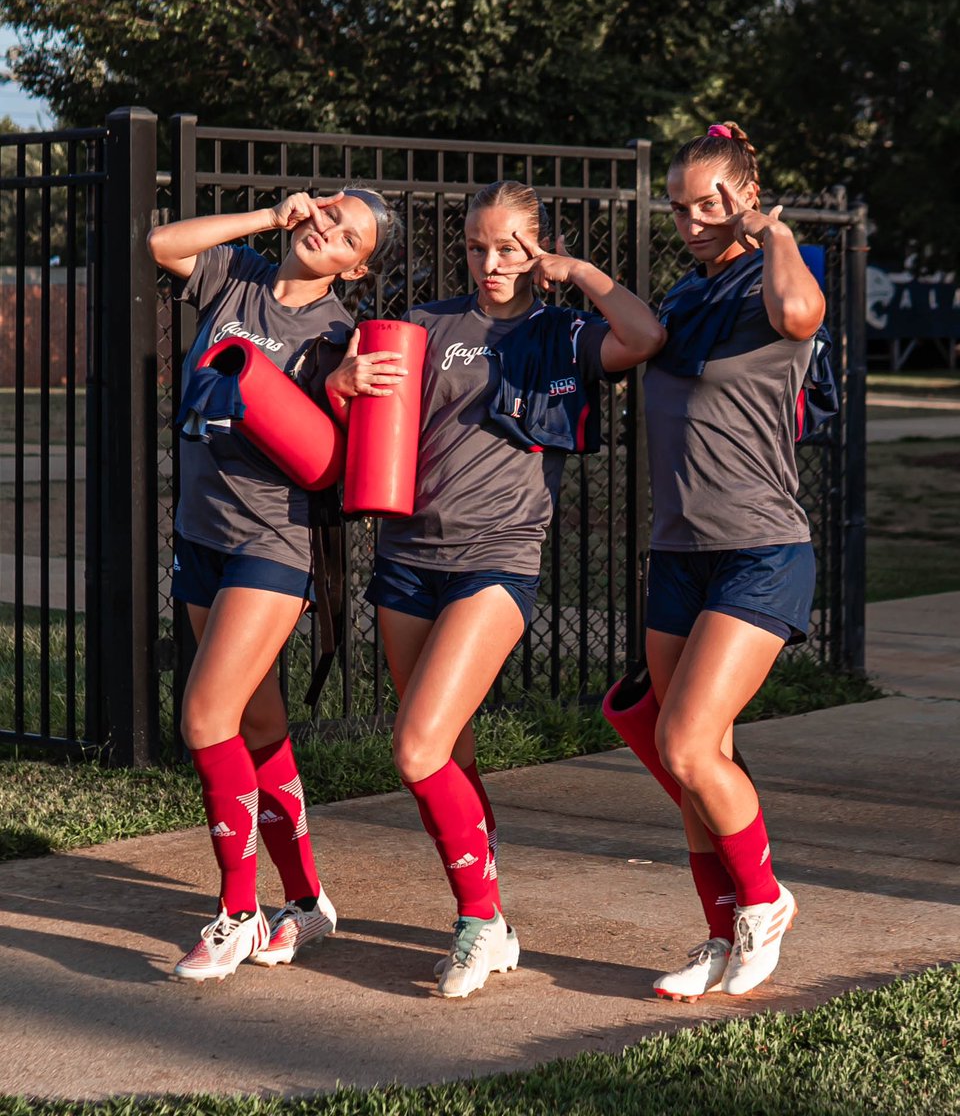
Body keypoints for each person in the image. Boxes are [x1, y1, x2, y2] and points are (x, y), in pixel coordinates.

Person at [340, 180, 665, 999]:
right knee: (447, 757)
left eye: (511, 247)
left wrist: (579, 271)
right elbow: (356, 415)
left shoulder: (564, 332)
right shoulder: (426, 324)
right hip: (408, 559)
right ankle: (484, 917)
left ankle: (481, 924)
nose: (492, 262)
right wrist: (341, 384)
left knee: (415, 747)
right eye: (479, 247)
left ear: (537, 246)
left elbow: (644, 335)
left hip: (498, 558)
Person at [146, 186, 403, 981]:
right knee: (258, 728)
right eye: (330, 209)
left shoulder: (343, 334)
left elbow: (338, 462)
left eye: (348, 233)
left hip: (275, 541)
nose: (328, 227)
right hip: (202, 534)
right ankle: (306, 902)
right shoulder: (239, 276)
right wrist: (267, 216)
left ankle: (238, 914)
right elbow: (161, 243)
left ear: (358, 268)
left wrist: (339, 388)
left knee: (204, 717)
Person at [603, 121, 825, 1001]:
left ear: (745, 193)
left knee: (688, 746)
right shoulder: (687, 298)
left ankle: (765, 901)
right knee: (697, 753)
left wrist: (774, 230)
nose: (694, 221)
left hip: (761, 549)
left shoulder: (773, 281)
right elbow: (638, 340)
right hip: (679, 553)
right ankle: (718, 930)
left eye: (711, 204)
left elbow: (801, 315)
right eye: (681, 207)